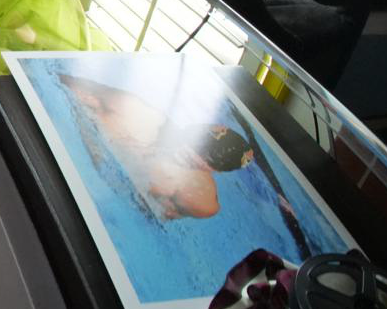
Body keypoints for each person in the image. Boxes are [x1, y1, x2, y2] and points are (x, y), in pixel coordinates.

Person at [60, 72, 256, 220]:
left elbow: (151, 214)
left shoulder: (199, 198)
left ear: (214, 170)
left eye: (205, 157)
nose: (190, 152)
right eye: (195, 141)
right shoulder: (134, 112)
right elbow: (65, 83)